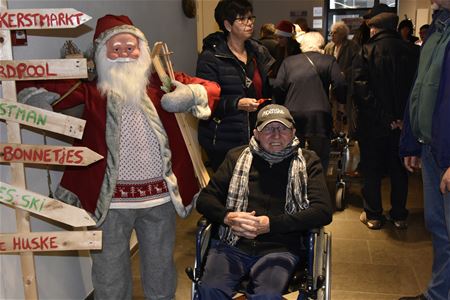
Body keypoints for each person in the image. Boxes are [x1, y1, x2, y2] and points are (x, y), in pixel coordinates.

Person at [17, 14, 220, 300]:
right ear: (102, 53)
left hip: (160, 198)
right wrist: (39, 97)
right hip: (109, 201)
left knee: (160, 267)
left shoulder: (161, 82)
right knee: (109, 272)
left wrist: (189, 93)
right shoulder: (91, 91)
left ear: (142, 50)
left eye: (131, 47)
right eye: (117, 48)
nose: (125, 54)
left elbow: (210, 88)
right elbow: (37, 90)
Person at [196, 104, 332, 299]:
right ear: (256, 133)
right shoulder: (236, 157)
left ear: (293, 132)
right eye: (268, 128)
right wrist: (228, 217)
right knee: (210, 289)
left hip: (281, 247)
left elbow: (322, 211)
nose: (276, 135)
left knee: (268, 295)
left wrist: (271, 225)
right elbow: (205, 199)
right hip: (232, 244)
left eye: (282, 128)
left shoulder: (308, 162)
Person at [399, 0, 450, 299]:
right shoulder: (437, 30)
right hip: (431, 147)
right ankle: (439, 294)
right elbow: (419, 88)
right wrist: (411, 140)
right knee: (439, 228)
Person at [352, 9, 419, 230]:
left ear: (373, 29)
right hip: (404, 125)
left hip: (373, 124)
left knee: (372, 169)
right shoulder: (413, 52)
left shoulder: (366, 51)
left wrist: (385, 117)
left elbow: (361, 91)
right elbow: (416, 91)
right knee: (399, 170)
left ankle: (373, 215)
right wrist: (401, 119)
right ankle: (399, 214)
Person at [196, 0, 274, 171]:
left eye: (251, 17)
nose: (250, 23)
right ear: (228, 25)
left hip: (257, 135)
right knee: (228, 191)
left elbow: (268, 91)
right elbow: (205, 102)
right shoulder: (211, 58)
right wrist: (237, 103)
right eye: (242, 19)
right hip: (224, 138)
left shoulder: (258, 53)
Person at [272, 31, 346, 170]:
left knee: (291, 155)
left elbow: (278, 86)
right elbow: (340, 83)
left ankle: (294, 185)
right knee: (319, 157)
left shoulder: (289, 62)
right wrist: (341, 100)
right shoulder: (328, 60)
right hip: (320, 114)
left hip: (292, 113)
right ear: (321, 45)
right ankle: (315, 186)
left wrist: (282, 105)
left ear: (302, 45)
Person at [324, 21, 360, 139]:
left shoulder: (352, 46)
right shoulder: (329, 47)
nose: (332, 35)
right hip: (333, 84)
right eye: (331, 33)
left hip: (347, 84)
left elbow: (356, 65)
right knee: (334, 109)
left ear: (343, 34)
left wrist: (345, 73)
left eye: (335, 33)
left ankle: (348, 135)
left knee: (346, 110)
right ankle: (335, 132)